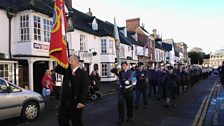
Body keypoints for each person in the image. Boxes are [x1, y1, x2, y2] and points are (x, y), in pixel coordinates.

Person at [55, 54, 89, 126]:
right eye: (68, 59)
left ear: (76, 61)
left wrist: (82, 102)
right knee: (61, 119)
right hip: (65, 102)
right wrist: (64, 61)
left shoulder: (83, 73)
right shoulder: (67, 70)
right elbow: (56, 69)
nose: (69, 61)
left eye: (70, 59)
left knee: (76, 122)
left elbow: (85, 88)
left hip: (75, 103)